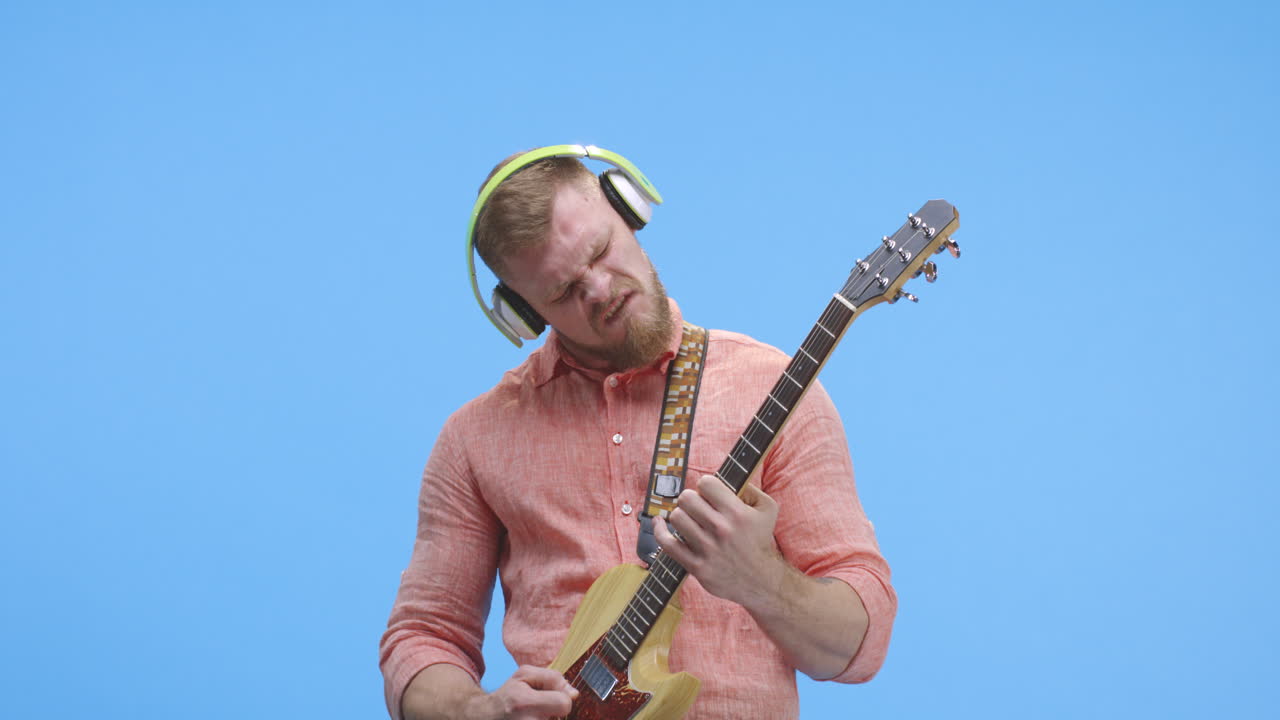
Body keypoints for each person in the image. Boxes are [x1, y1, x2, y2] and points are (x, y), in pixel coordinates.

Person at [380, 146, 896, 720]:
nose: (600, 290)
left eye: (601, 251)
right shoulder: (475, 438)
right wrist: (474, 710)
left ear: (628, 207)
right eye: (562, 292)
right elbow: (422, 638)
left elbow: (861, 646)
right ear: (522, 315)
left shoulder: (771, 388)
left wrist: (762, 583)